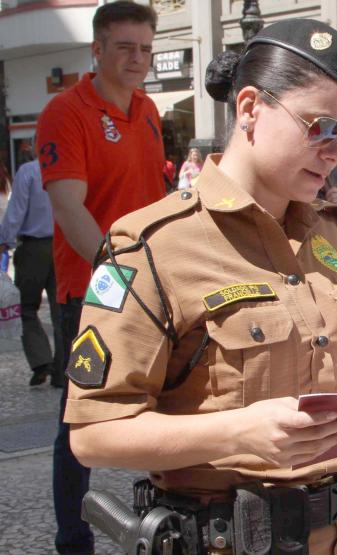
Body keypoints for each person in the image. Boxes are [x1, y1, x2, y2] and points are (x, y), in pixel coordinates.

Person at [63, 19, 337, 555]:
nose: (336, 152)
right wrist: (236, 432)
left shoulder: (335, 231)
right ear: (251, 107)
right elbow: (93, 436)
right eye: (322, 127)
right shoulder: (151, 246)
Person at [35, 2, 166, 552]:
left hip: (153, 285)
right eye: (124, 47)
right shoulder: (65, 112)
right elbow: (69, 209)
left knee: (169, 402)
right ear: (97, 49)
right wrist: (121, 279)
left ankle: (170, 522)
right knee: (80, 423)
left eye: (144, 48)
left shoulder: (150, 109)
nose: (137, 59)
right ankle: (74, 540)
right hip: (93, 288)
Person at [0, 158, 64, 388]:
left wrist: (4, 240)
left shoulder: (28, 172)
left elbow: (16, 212)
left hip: (33, 249)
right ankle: (62, 369)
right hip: (64, 245)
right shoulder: (68, 168)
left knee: (26, 307)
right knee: (61, 310)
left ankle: (41, 362)